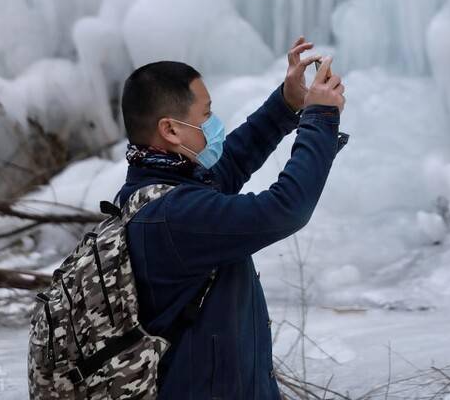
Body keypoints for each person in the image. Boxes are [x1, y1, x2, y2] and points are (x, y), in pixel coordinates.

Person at [114, 36, 345, 398]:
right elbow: (285, 208)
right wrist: (321, 118)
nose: (213, 124)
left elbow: (231, 161)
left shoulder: (158, 190)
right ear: (170, 130)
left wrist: (288, 102)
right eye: (205, 115)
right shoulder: (174, 217)